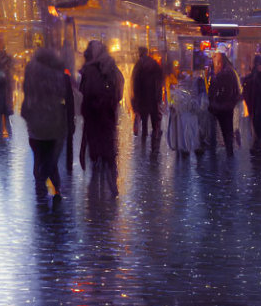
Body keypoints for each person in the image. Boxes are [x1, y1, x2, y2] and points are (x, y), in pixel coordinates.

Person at [21, 47, 75, 204]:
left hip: (35, 122)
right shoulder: (60, 72)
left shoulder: (31, 70)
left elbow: (27, 91)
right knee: (52, 158)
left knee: (38, 156)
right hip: (54, 122)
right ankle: (56, 188)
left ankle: (40, 187)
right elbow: (65, 94)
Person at [79, 40, 124, 196]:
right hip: (107, 115)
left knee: (96, 149)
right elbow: (119, 90)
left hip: (94, 116)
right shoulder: (112, 67)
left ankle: (96, 193)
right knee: (108, 148)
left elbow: (85, 93)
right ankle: (111, 185)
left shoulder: (89, 70)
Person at [207, 45, 241, 157]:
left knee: (224, 130)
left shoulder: (223, 73)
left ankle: (227, 152)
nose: (213, 60)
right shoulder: (231, 71)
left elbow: (215, 90)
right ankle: (229, 151)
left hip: (222, 107)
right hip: (227, 106)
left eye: (215, 58)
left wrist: (215, 102)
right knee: (228, 130)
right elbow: (236, 92)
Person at [166, 72, 207, 157]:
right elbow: (197, 107)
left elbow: (172, 105)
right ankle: (188, 150)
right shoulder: (191, 93)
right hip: (189, 119)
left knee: (182, 134)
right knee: (188, 135)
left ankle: (183, 150)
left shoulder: (177, 93)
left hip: (181, 120)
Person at [131, 47, 165, 140]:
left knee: (144, 117)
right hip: (153, 95)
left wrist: (134, 97)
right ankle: (155, 133)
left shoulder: (138, 64)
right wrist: (159, 93)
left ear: (140, 53)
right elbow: (160, 77)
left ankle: (145, 134)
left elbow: (134, 81)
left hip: (142, 96)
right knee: (154, 115)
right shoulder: (153, 63)